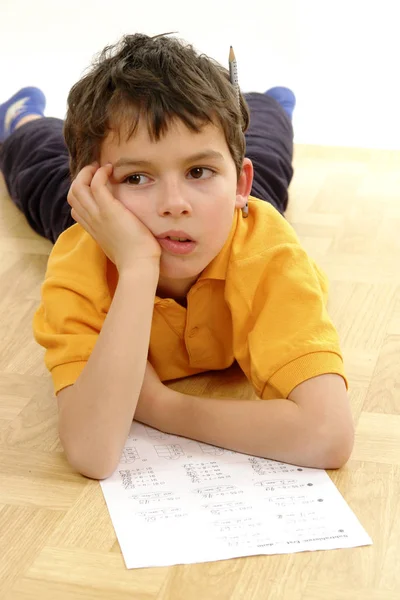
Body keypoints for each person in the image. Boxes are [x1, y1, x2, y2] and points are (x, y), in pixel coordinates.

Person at [0, 33, 354, 479]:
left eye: (197, 171)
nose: (174, 203)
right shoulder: (81, 264)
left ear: (238, 186)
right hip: (119, 235)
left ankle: (266, 106)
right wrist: (137, 267)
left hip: (230, 221)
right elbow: (93, 452)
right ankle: (22, 119)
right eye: (136, 177)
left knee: (269, 154)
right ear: (94, 190)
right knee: (41, 178)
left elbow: (329, 434)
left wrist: (160, 406)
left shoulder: (270, 255)